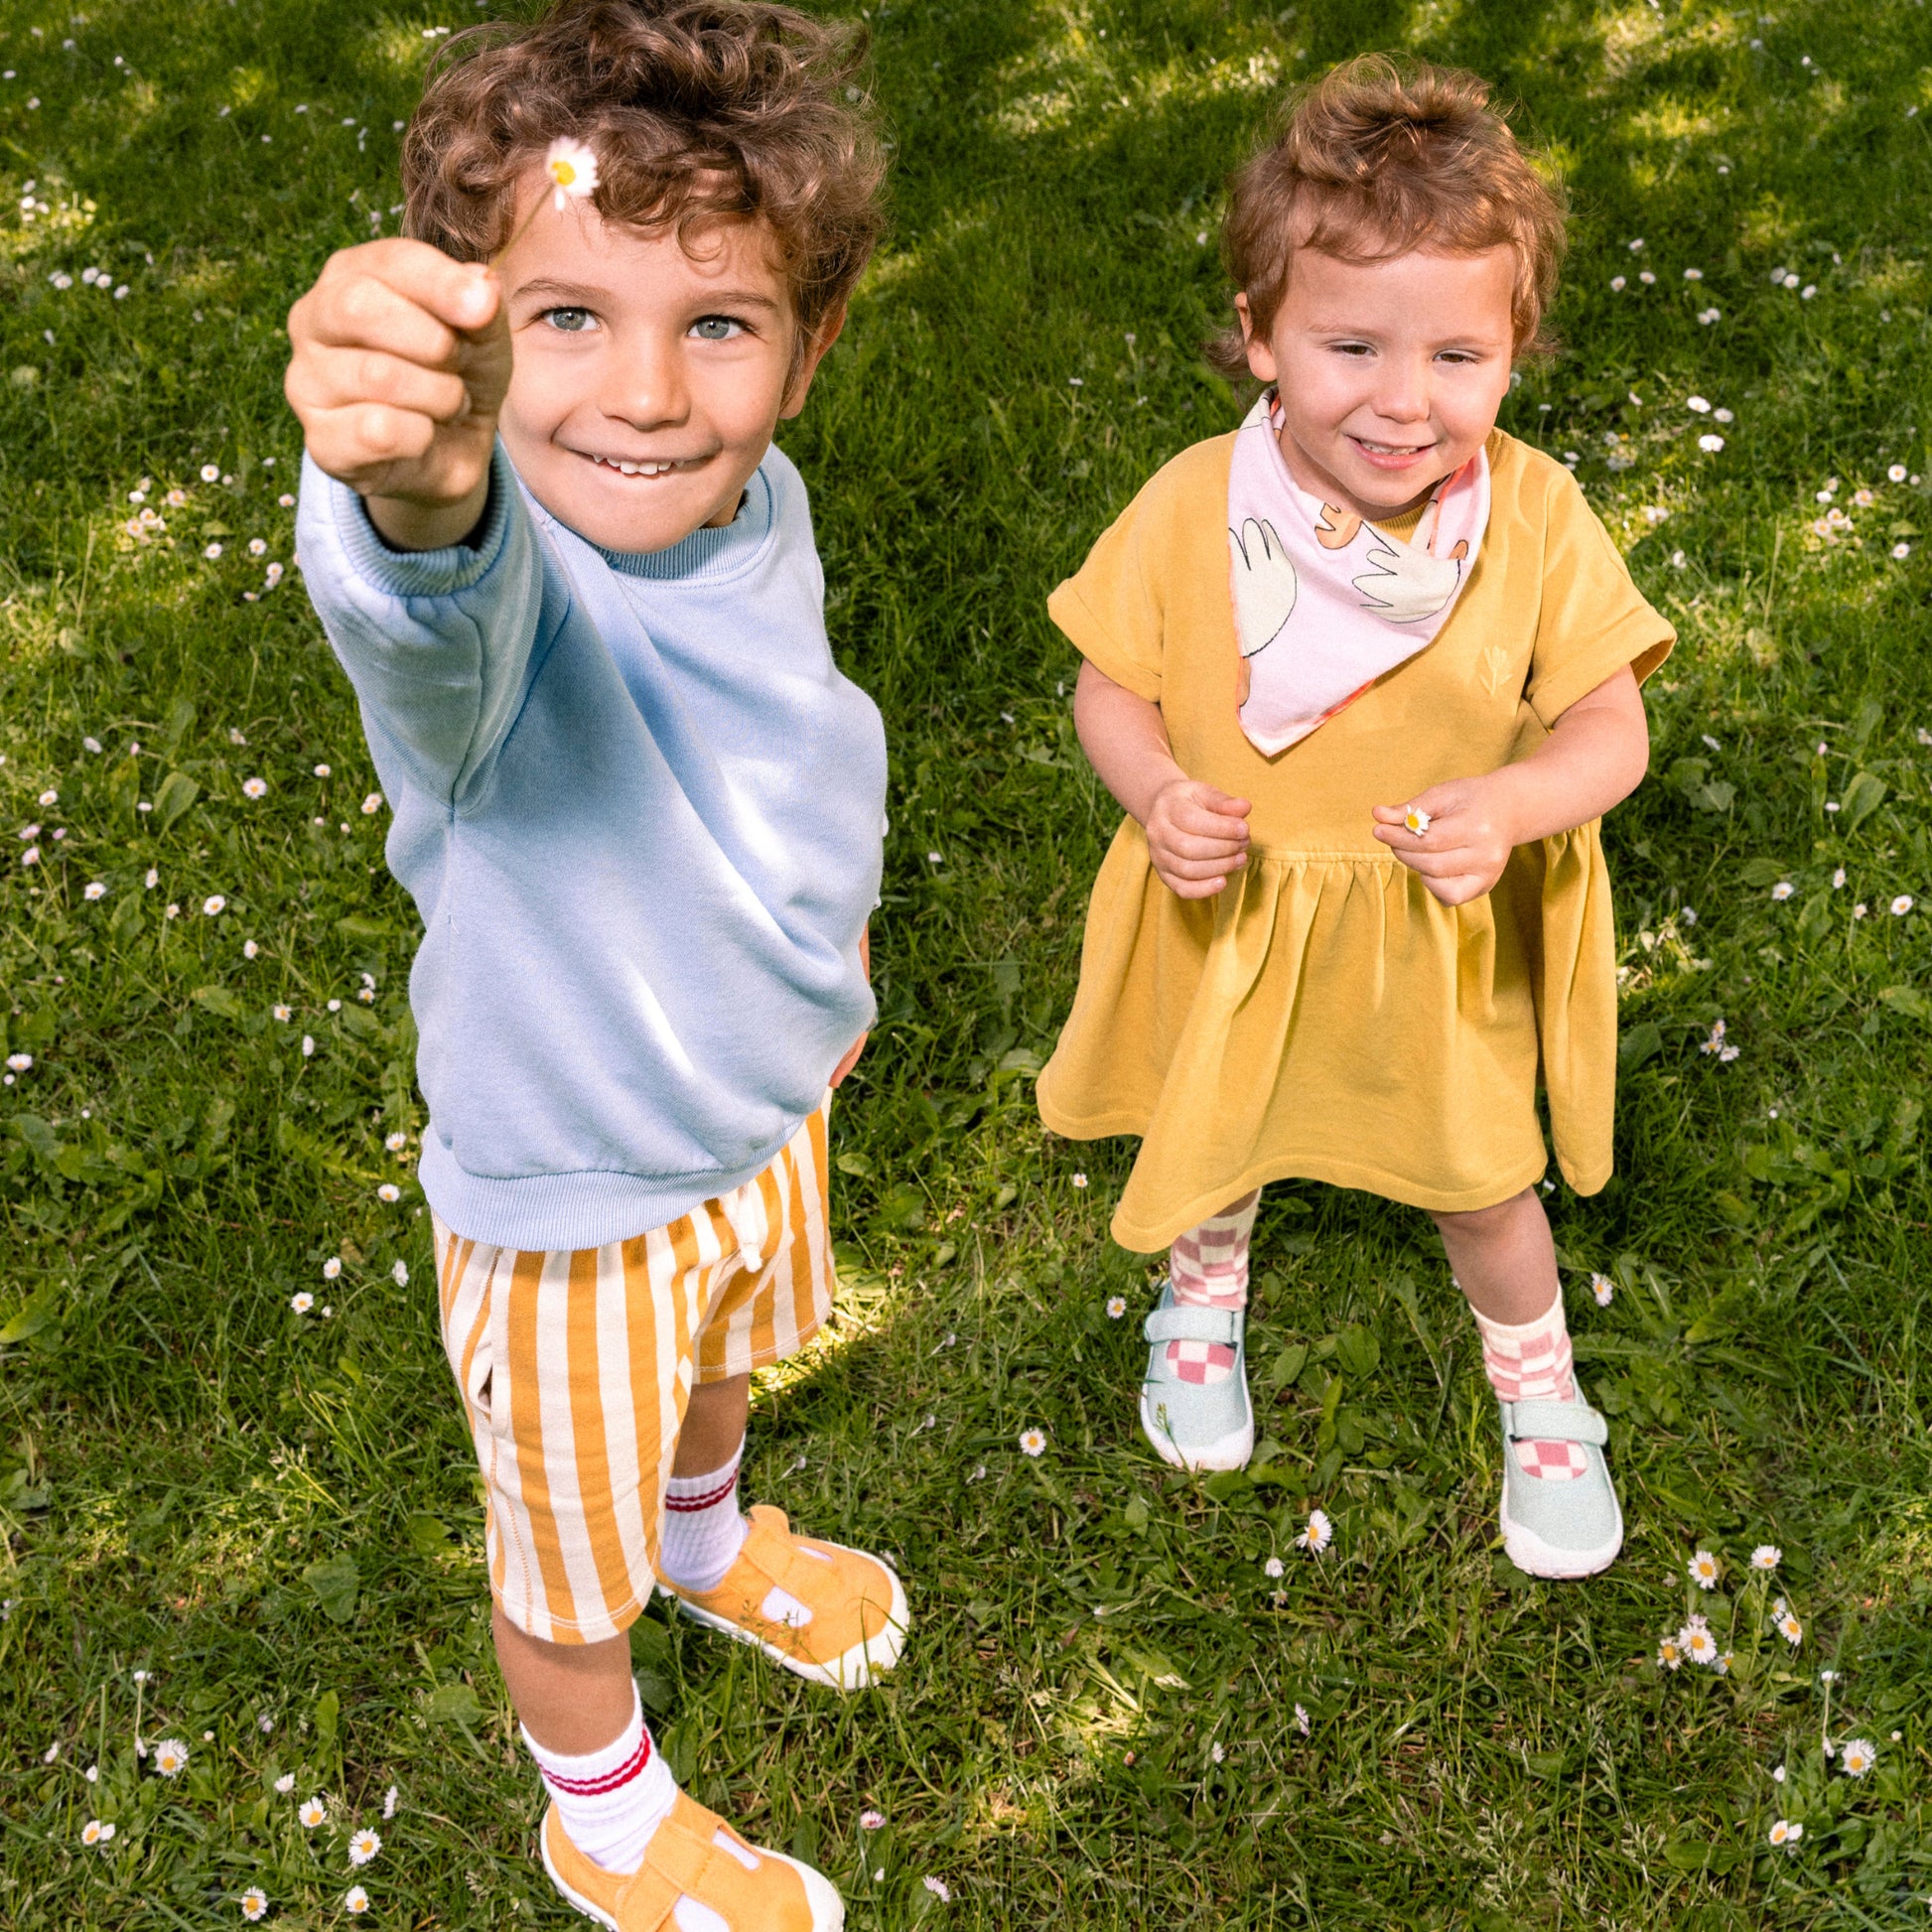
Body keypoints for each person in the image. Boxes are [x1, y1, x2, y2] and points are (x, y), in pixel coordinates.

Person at [284, 4, 898, 1924]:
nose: (643, 391)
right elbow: (425, 586)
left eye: (713, 323)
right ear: (475, 333)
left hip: (752, 1114)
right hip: (570, 1209)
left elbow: (775, 745)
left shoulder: (750, 507)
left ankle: (709, 1540)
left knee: (717, 1382)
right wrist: (419, 475)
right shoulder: (500, 599)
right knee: (563, 1560)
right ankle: (603, 1805)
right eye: (563, 316)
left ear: (805, 354)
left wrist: (822, 969)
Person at [1036, 54, 1673, 1582]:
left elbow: (1612, 726)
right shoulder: (1198, 500)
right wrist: (1157, 790)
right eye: (1350, 346)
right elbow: (1105, 689)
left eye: (1458, 353)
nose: (1404, 400)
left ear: (1514, 348)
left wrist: (1515, 805)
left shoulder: (1528, 515)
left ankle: (1536, 1383)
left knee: (1478, 1174)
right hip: (1237, 896)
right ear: (1258, 335)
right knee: (1221, 1108)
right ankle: (1202, 1286)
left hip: (1425, 921)